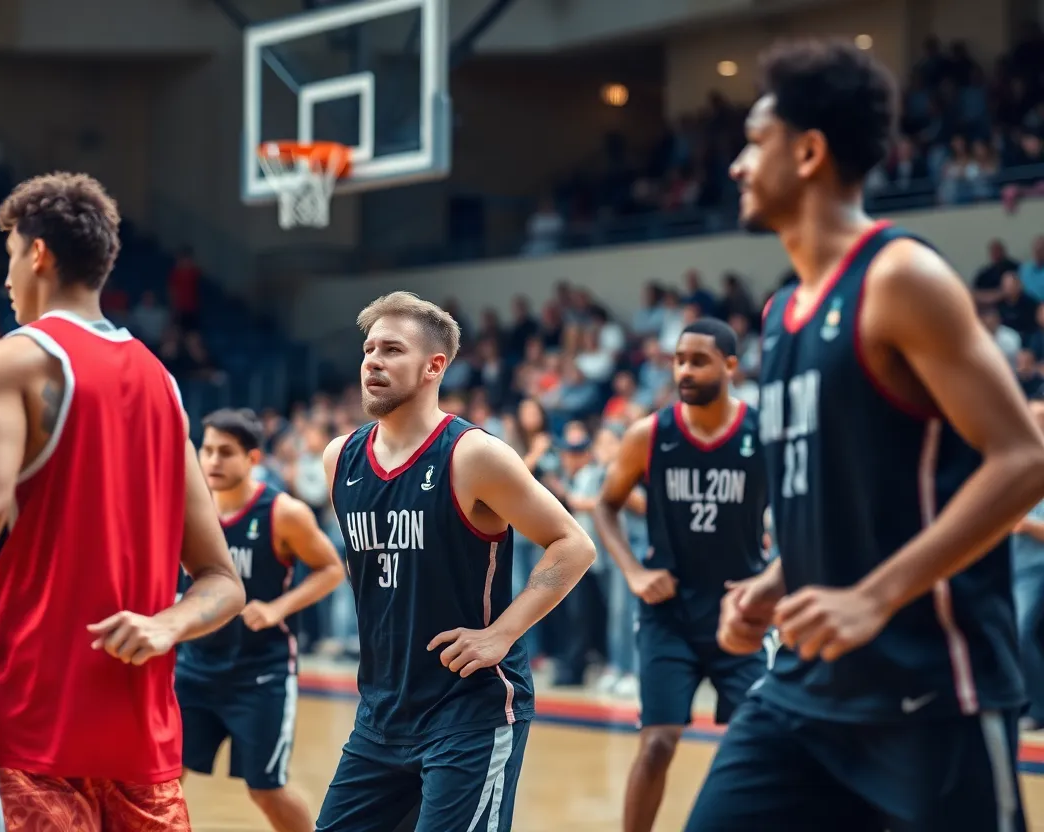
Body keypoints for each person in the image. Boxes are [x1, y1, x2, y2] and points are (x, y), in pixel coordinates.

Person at [686, 39, 1044, 831]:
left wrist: (872, 598)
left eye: (755, 141)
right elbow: (848, 499)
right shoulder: (781, 316)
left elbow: (1023, 461)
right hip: (804, 692)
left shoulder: (899, 278)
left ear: (809, 151)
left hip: (928, 693)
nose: (739, 165)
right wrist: (778, 584)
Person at [0, 172, 246, 831]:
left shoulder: (11, 363)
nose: (6, 279)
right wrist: (167, 625)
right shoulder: (164, 386)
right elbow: (222, 582)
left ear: (38, 254)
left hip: (39, 736)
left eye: (9, 257)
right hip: (145, 749)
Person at [316, 291, 596, 832]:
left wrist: (502, 633)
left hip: (470, 709)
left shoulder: (473, 455)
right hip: (380, 711)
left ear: (433, 366)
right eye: (369, 349)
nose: (372, 360)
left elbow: (573, 543)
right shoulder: (340, 458)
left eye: (392, 350)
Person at [594, 319, 768, 832]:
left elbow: (804, 515)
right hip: (669, 614)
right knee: (658, 744)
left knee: (758, 746)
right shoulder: (649, 434)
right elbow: (605, 507)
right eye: (679, 360)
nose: (684, 370)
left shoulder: (764, 433)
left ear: (731, 366)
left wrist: (774, 577)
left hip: (742, 611)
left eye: (699, 360)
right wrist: (632, 572)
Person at [177, 407, 344, 832]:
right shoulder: (185, 508)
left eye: (225, 452)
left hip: (259, 673)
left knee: (265, 789)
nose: (212, 461)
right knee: (164, 776)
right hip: (193, 668)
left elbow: (330, 569)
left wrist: (277, 608)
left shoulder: (282, 512)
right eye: (207, 450)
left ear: (252, 459)